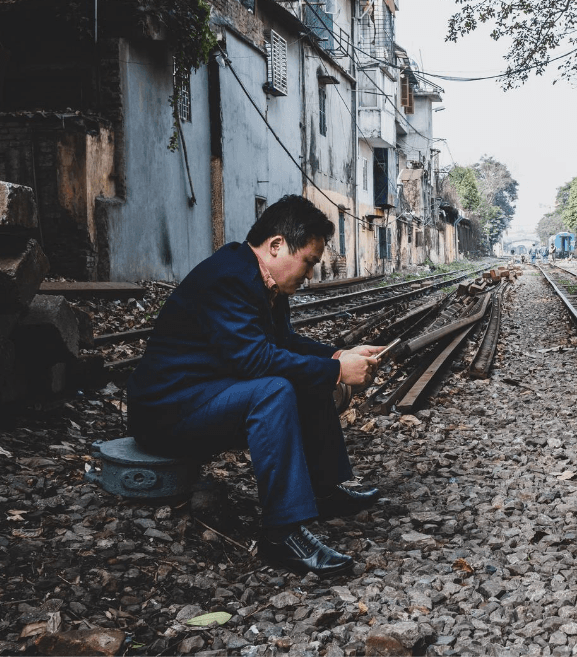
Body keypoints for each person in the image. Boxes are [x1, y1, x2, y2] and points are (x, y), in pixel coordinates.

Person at [127, 195, 384, 577]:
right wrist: (336, 372)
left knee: (306, 373)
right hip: (168, 414)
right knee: (275, 390)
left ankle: (325, 490)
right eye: (309, 262)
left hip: (206, 396)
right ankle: (281, 533)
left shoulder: (263, 279)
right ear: (277, 244)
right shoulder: (228, 277)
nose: (310, 273)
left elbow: (285, 346)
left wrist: (337, 356)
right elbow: (254, 361)